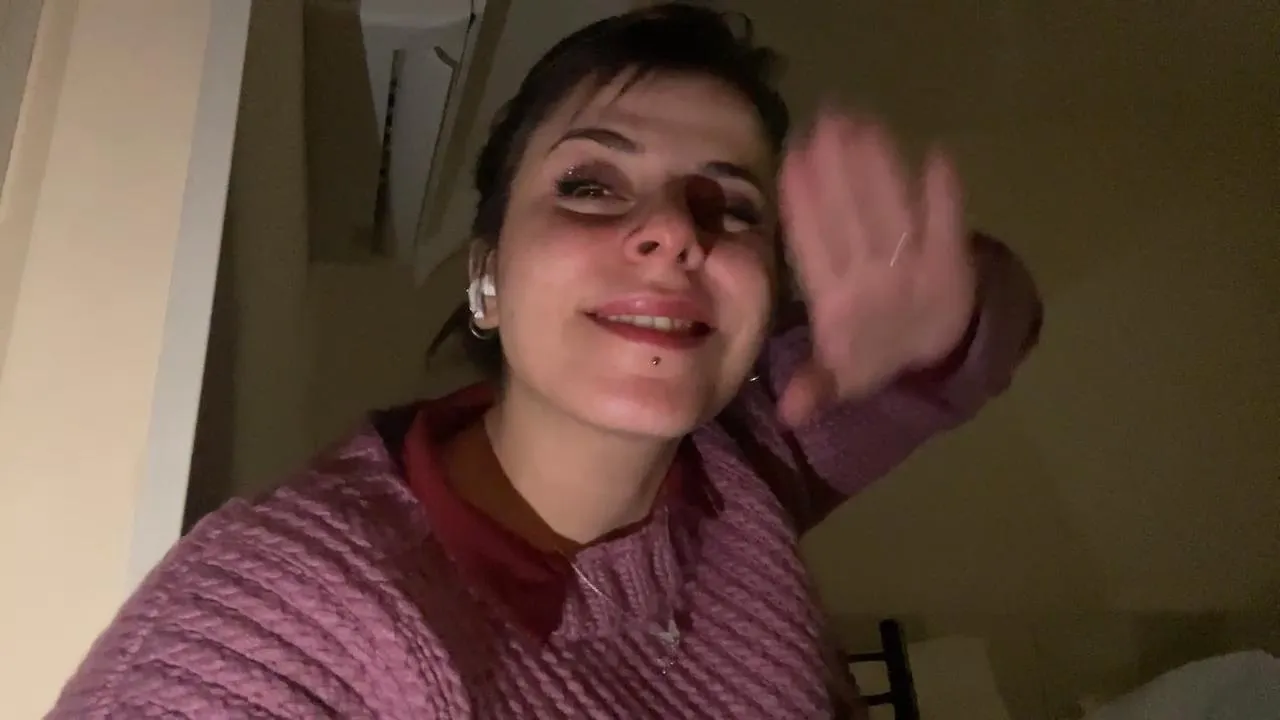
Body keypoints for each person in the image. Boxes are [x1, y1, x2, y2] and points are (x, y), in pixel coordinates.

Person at [50, 4, 1042, 718]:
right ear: (486, 272)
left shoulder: (745, 464)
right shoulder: (292, 608)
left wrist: (937, 309)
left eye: (729, 205)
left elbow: (989, 326)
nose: (674, 231)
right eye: (590, 185)